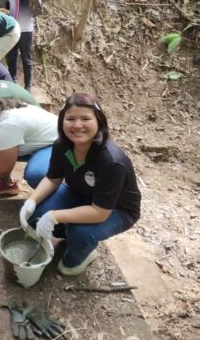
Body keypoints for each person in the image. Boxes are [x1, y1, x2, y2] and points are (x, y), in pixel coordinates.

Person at [18, 93, 141, 276]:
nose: (77, 125)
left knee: (77, 241)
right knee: (35, 217)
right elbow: (53, 178)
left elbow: (100, 213)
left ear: (99, 121)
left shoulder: (111, 161)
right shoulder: (62, 145)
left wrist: (54, 216)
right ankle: (71, 233)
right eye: (70, 119)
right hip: (80, 193)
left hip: (116, 209)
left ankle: (84, 252)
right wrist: (31, 201)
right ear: (62, 121)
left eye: (85, 118)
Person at [2, 0, 42, 90]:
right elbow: (3, 6)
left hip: (26, 30)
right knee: (11, 57)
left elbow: (37, 11)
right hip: (12, 29)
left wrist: (30, 3)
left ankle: (28, 86)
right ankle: (12, 82)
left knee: (27, 59)